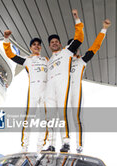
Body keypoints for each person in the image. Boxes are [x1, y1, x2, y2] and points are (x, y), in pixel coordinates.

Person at [43, 9, 84, 152]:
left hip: (62, 84)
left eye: (56, 41)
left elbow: (79, 38)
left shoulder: (67, 52)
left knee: (62, 113)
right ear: (49, 46)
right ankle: (51, 144)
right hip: (50, 88)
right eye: (52, 42)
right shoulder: (48, 61)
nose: (54, 43)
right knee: (50, 116)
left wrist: (77, 19)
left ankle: (66, 142)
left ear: (60, 44)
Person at [68, 19, 111, 153]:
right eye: (72, 48)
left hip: (76, 91)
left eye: (76, 48)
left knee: (77, 118)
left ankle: (79, 146)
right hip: (63, 92)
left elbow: (95, 47)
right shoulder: (62, 62)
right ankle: (65, 144)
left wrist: (104, 29)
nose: (74, 50)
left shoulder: (82, 60)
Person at [3, 31, 48, 152]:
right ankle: (24, 146)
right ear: (30, 47)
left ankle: (40, 146)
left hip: (45, 92)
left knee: (44, 120)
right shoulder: (27, 60)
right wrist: (6, 39)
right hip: (33, 91)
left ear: (41, 47)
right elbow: (10, 55)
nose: (36, 46)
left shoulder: (46, 60)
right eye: (34, 44)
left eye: (38, 44)